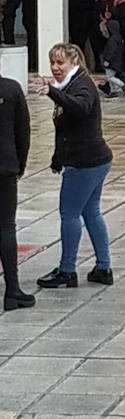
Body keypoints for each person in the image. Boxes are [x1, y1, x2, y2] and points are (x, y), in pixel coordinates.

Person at [36, 43, 114, 289]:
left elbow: (80, 109)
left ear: (74, 63)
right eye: (52, 63)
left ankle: (67, 270)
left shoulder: (81, 84)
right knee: (91, 212)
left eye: (60, 63)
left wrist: (52, 92)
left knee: (69, 214)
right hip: (92, 158)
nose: (55, 68)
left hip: (86, 162)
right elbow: (66, 128)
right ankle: (103, 267)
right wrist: (58, 159)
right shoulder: (71, 84)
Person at [0, 71, 33, 310]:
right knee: (6, 227)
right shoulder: (11, 89)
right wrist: (20, 163)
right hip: (5, 167)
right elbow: (23, 131)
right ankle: (12, 289)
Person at [98, 19, 125, 98]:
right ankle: (114, 91)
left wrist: (107, 60)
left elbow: (111, 51)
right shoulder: (118, 38)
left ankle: (123, 85)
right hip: (116, 62)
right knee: (111, 77)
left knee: (110, 77)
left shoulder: (112, 40)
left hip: (111, 62)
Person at [22, 0, 37, 71]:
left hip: (28, 17)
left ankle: (32, 64)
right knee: (32, 41)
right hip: (31, 17)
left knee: (32, 41)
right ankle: (31, 64)